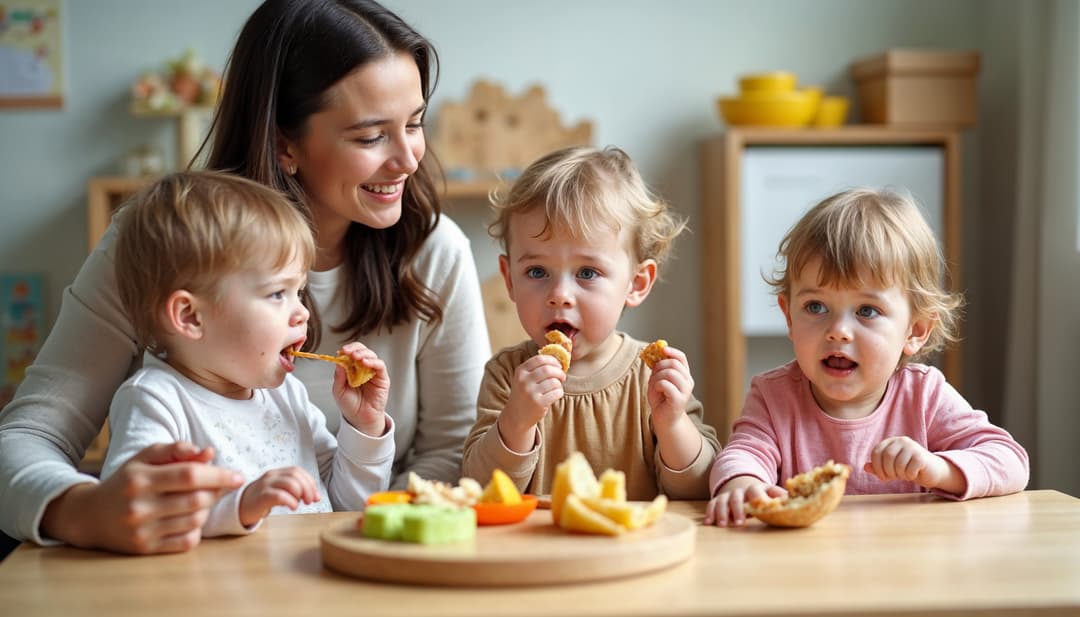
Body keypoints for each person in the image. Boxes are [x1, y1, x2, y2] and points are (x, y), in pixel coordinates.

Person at [0, 0, 488, 554]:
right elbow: (28, 437)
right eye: (371, 136)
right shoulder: (162, 246)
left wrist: (358, 548)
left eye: (415, 124)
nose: (409, 159)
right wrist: (83, 511)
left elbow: (451, 453)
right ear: (285, 144)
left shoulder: (435, 251)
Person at [704, 188, 1029, 527]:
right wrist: (741, 485)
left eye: (866, 310)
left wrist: (938, 469)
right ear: (788, 316)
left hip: (905, 563)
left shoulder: (923, 396)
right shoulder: (774, 397)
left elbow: (1010, 461)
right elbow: (743, 454)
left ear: (916, 329)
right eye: (815, 306)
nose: (838, 331)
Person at [102, 170, 395, 536]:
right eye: (277, 294)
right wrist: (239, 506)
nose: (302, 312)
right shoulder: (157, 402)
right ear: (191, 316)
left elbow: (347, 507)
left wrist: (364, 427)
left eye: (299, 291)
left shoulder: (287, 396)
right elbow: (139, 512)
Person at [461, 146, 721, 500]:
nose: (560, 295)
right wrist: (516, 422)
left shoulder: (652, 377)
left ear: (636, 283)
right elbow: (479, 491)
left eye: (587, 272)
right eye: (536, 271)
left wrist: (673, 424)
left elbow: (700, 490)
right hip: (532, 552)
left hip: (630, 550)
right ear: (509, 279)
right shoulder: (507, 376)